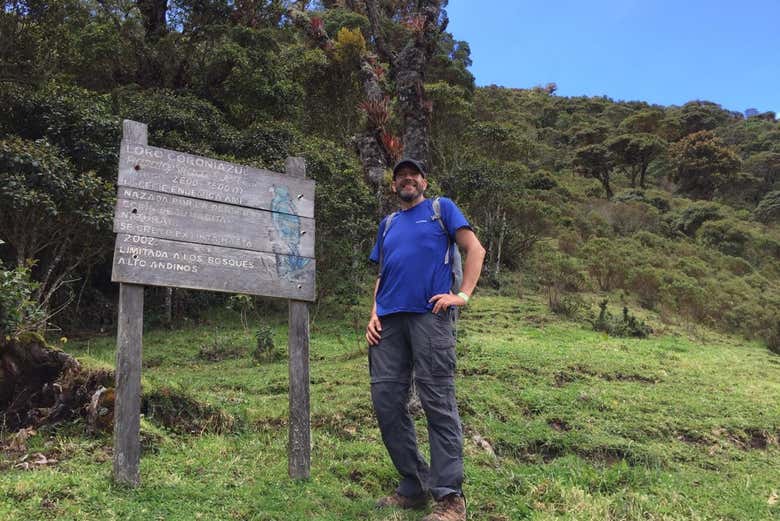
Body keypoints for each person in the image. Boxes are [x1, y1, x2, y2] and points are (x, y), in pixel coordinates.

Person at [365, 158, 486, 521]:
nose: (407, 179)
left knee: (437, 402)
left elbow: (475, 249)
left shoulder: (441, 209)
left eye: (413, 175)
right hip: (388, 324)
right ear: (393, 186)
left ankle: (450, 499)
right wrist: (374, 311)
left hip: (430, 318)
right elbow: (384, 273)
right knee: (386, 401)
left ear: (424, 182)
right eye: (401, 176)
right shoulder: (387, 224)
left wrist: (461, 296)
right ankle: (414, 484)